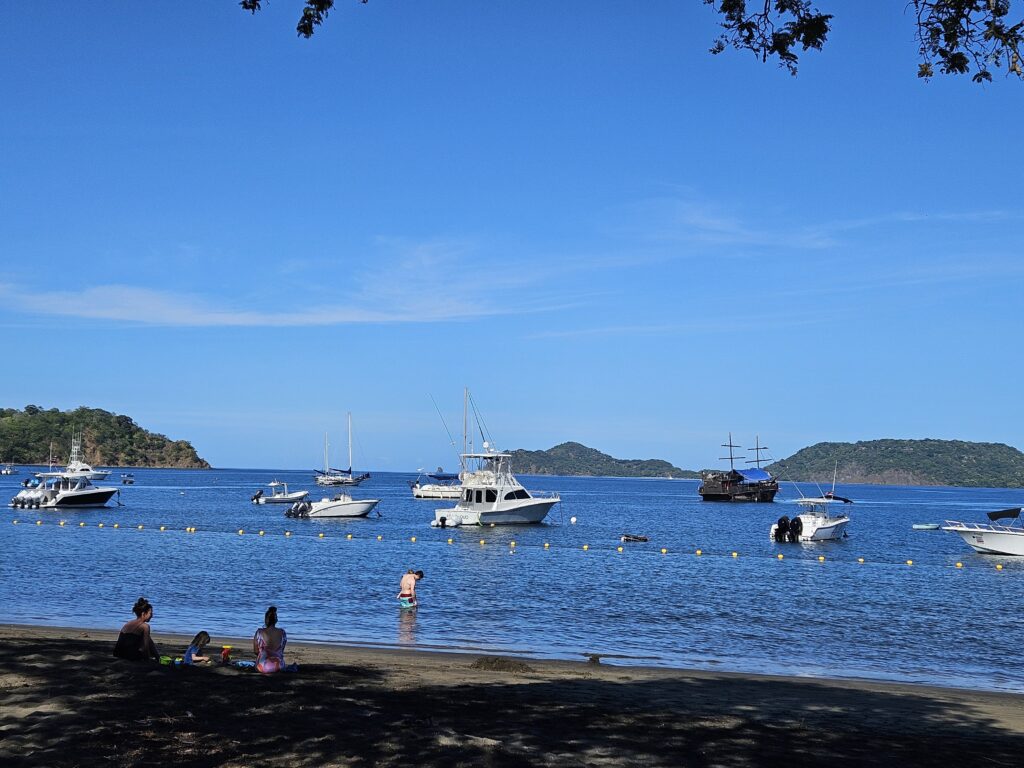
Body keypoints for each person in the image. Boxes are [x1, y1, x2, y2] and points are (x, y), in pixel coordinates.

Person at [253, 606, 297, 673]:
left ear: (266, 620)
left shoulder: (259, 632)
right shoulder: (282, 633)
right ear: (276, 620)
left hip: (262, 666)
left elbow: (256, 651)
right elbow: (281, 651)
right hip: (278, 666)